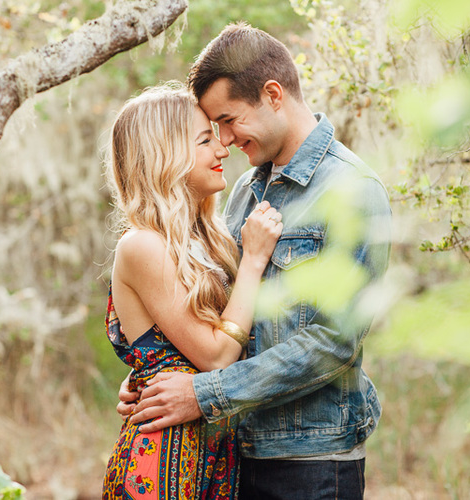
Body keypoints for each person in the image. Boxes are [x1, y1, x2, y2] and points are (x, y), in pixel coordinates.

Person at [120, 24, 392, 499]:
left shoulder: (353, 190)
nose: (223, 140)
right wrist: (155, 372)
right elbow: (223, 315)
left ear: (273, 95)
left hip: (309, 460)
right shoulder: (244, 191)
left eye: (228, 120)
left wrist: (203, 395)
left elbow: (334, 341)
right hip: (230, 455)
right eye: (212, 130)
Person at [102, 82, 283, 499]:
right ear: (165, 155)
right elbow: (216, 355)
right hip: (160, 465)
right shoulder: (143, 245)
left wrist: (143, 377)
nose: (223, 149)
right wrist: (254, 261)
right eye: (205, 140)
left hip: (212, 459)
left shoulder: (204, 241)